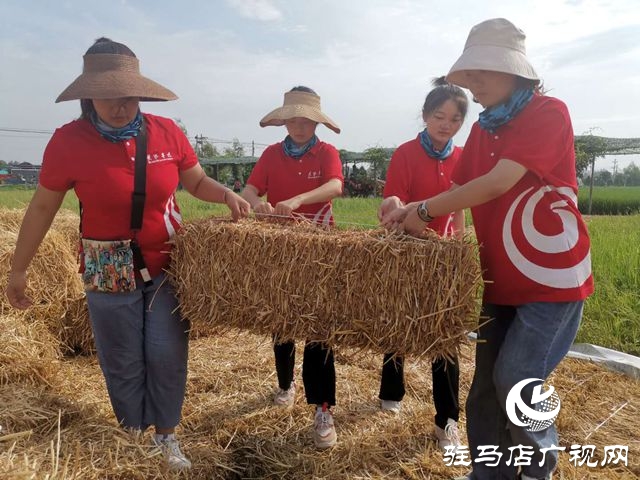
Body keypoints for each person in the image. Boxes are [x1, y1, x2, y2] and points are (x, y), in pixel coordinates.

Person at [5, 38, 250, 471]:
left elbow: (195, 182)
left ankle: (166, 436)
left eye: (129, 95)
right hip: (106, 265)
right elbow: (43, 207)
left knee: (166, 352)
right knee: (122, 358)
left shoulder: (167, 132)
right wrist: (18, 268)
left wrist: (227, 194)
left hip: (168, 262)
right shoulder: (68, 142)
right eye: (109, 96)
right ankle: (134, 438)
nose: (121, 105)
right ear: (88, 95)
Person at [382, 19, 593, 480]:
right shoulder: (483, 129)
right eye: (468, 74)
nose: (470, 85)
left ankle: (539, 470)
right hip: (500, 278)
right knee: (482, 390)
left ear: (512, 71)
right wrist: (406, 213)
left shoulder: (548, 112)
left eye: (479, 73)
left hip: (552, 276)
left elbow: (497, 182)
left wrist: (425, 207)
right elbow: (459, 187)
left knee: (517, 379)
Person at [241, 86, 343, 448]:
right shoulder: (270, 154)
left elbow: (334, 185)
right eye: (293, 120)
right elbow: (251, 190)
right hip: (280, 251)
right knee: (281, 323)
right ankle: (285, 384)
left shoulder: (326, 152)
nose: (299, 127)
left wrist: (298, 199)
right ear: (284, 121)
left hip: (319, 250)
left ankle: (323, 408)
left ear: (316, 122)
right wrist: (256, 205)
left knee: (319, 329)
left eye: (306, 121)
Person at [376, 77, 468, 454]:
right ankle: (390, 391)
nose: (446, 124)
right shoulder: (405, 153)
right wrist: (398, 212)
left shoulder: (461, 157)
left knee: (445, 335)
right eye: (439, 116)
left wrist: (460, 244)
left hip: (442, 256)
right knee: (399, 320)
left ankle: (447, 420)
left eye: (455, 118)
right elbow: (392, 202)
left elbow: (461, 201)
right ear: (426, 116)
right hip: (406, 250)